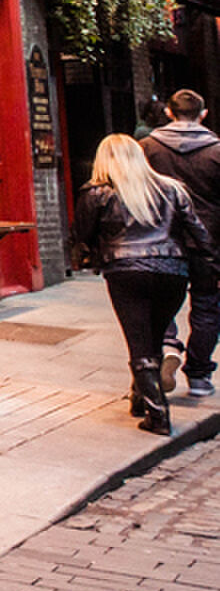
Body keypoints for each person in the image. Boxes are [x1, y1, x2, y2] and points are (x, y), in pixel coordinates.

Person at [69, 132, 213, 437]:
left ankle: (158, 415)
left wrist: (87, 256)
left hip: (125, 270)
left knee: (138, 341)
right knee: (155, 334)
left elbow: (82, 234)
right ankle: (139, 397)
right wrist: (212, 266)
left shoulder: (97, 192)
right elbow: (199, 234)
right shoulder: (173, 189)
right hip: (173, 270)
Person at [140, 90, 220, 399]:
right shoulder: (216, 151)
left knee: (159, 301)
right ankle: (199, 375)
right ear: (203, 114)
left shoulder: (147, 149)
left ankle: (168, 344)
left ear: (170, 114)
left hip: (160, 237)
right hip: (207, 240)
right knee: (207, 305)